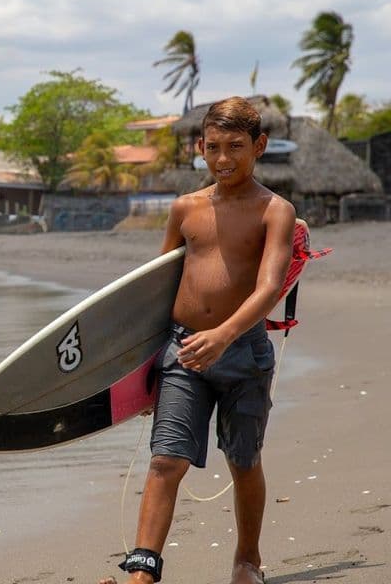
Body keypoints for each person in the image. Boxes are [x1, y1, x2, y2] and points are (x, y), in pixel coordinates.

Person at [101, 97, 296, 584]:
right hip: (184, 350)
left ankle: (246, 560)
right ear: (200, 148)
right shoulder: (185, 209)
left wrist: (225, 335)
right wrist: (141, 371)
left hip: (244, 350)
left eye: (235, 146)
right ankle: (143, 570)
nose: (223, 158)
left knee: (243, 459)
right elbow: (155, 288)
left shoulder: (275, 210)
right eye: (213, 147)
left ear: (260, 147)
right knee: (166, 459)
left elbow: (269, 287)